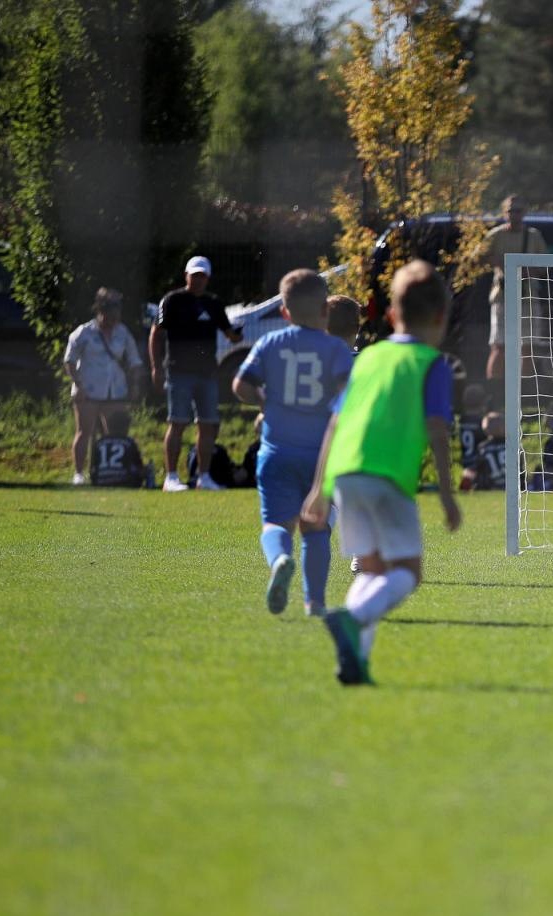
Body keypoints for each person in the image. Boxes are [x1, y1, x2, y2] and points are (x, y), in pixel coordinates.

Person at [300, 260, 461, 686]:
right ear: (442, 317)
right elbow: (438, 431)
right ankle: (352, 619)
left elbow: (336, 422)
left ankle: (355, 663)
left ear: (391, 315)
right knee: (407, 572)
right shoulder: (431, 364)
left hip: (347, 473)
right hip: (388, 476)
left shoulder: (368, 358)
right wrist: (447, 494)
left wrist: (319, 488)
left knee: (370, 571)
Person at [232, 269, 356, 618]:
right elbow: (350, 397)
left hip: (275, 451)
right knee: (316, 527)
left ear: (284, 312)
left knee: (275, 524)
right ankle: (314, 602)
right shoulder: (335, 348)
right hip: (320, 457)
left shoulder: (270, 344)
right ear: (325, 311)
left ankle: (280, 558)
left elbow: (240, 385)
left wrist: (263, 402)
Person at [150, 255, 242, 491]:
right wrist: (156, 366)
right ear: (186, 276)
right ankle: (171, 477)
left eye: (202, 275)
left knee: (208, 425)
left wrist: (236, 336)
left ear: (208, 278)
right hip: (178, 372)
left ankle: (204, 477)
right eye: (195, 275)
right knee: (178, 422)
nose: (198, 279)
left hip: (207, 374)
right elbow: (156, 334)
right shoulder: (172, 300)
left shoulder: (214, 303)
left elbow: (229, 334)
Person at [63, 287, 143, 485]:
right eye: (110, 314)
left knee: (115, 434)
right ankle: (79, 474)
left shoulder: (123, 332)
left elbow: (134, 361)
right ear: (101, 310)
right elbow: (69, 361)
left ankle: (110, 472)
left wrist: (135, 385)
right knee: (84, 432)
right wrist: (77, 385)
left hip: (115, 391)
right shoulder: (84, 332)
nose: (113, 319)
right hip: (88, 391)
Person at [483, 194, 547, 383]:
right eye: (511, 211)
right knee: (499, 346)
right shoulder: (495, 235)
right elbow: (479, 257)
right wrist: (500, 265)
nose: (514, 215)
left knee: (527, 347)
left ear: (525, 212)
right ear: (504, 212)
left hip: (528, 297)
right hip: (502, 297)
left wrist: (525, 270)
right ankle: (494, 393)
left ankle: (524, 392)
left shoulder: (534, 236)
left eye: (518, 211)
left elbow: (544, 265)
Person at [87, 409, 150, 488]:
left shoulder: (99, 442)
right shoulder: (129, 442)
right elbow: (138, 465)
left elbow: (94, 465)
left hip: (100, 481)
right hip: (125, 481)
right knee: (143, 469)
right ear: (125, 427)